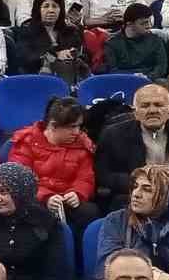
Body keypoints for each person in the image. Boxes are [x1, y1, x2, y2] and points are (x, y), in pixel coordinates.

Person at [6, 96, 100, 234]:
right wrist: (46, 197)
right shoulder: (26, 142)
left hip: (67, 200)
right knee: (33, 210)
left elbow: (85, 178)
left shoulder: (82, 144)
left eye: (79, 126)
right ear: (53, 126)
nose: (77, 132)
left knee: (90, 212)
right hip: (36, 200)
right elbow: (20, 180)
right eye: (72, 127)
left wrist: (77, 193)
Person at [12, 0, 86, 85]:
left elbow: (82, 55)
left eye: (55, 6)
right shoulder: (27, 31)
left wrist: (72, 53)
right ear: (38, 10)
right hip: (36, 76)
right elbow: (25, 57)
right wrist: (55, 55)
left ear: (61, 10)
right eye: (46, 6)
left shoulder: (70, 31)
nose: (51, 10)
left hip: (69, 73)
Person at [102, 2, 168, 80]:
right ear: (129, 24)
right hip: (123, 80)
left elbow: (161, 67)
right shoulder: (112, 44)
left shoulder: (156, 40)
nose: (149, 26)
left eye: (149, 21)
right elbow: (112, 70)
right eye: (144, 23)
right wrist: (134, 76)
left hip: (151, 80)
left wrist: (148, 77)